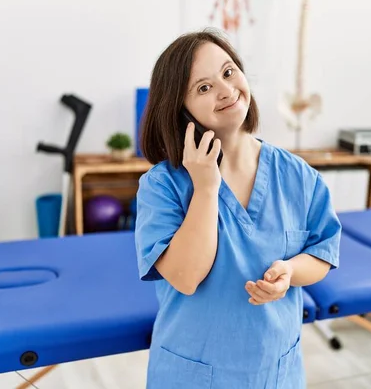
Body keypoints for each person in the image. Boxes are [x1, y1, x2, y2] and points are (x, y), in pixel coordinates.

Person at [135, 28, 341, 389]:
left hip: (276, 373)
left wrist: (290, 272)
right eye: (203, 87)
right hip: (192, 376)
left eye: (229, 72)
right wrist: (206, 187)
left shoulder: (298, 176)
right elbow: (185, 277)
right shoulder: (163, 185)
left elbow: (322, 252)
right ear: (180, 108)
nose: (226, 90)